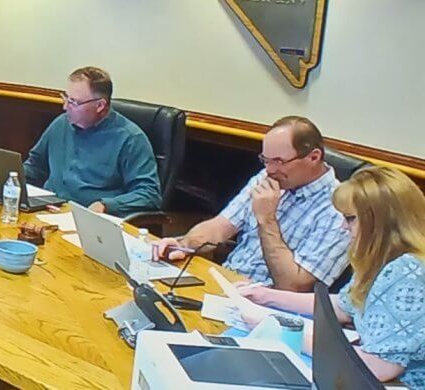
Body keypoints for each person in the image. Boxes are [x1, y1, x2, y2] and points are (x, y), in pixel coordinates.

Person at [236, 167, 425, 388]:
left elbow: (377, 367)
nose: (343, 226)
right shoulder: (386, 259)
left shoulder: (408, 271)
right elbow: (346, 305)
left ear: (380, 223)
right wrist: (268, 296)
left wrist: (282, 330)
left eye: (350, 219)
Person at [154, 116, 350, 291]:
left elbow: (294, 285)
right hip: (227, 283)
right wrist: (184, 244)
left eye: (279, 161)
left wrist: (267, 219)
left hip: (270, 305)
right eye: (266, 160)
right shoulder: (268, 176)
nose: (270, 169)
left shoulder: (340, 210)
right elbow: (220, 227)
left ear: (313, 157)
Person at [22, 66, 161, 217]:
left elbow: (149, 194)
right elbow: (36, 166)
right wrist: (12, 176)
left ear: (100, 105)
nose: (65, 107)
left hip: (89, 219)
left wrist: (106, 205)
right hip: (47, 210)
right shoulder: (61, 123)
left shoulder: (130, 138)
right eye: (66, 98)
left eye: (74, 102)